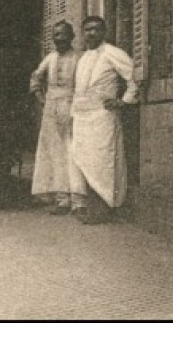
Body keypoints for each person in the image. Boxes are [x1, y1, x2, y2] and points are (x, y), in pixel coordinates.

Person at [69, 15, 139, 224]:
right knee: (82, 160)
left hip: (102, 116)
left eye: (96, 29)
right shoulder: (83, 58)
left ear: (104, 32)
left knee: (102, 161)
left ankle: (104, 208)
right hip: (82, 116)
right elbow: (79, 90)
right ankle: (87, 206)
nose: (91, 33)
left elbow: (133, 78)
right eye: (88, 29)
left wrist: (124, 101)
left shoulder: (113, 53)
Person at [29, 20, 80, 214]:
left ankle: (69, 197)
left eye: (64, 34)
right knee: (51, 149)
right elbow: (36, 76)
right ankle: (54, 195)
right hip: (51, 106)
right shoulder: (50, 58)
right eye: (56, 35)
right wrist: (40, 96)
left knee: (69, 149)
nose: (60, 39)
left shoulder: (77, 58)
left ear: (72, 36)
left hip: (70, 105)